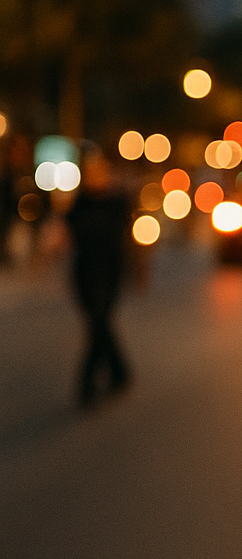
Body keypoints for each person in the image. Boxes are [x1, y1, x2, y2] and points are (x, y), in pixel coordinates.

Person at [66, 142, 133, 406]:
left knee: (100, 321)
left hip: (111, 269)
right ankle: (119, 371)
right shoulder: (79, 203)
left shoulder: (118, 202)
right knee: (99, 323)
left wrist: (140, 270)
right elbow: (68, 233)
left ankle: (87, 383)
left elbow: (124, 236)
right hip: (84, 271)